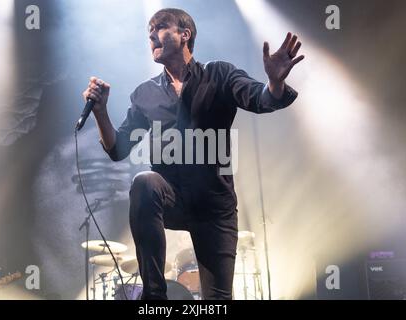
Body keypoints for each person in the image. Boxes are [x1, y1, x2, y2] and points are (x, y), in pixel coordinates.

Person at [82, 8, 304, 300]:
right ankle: (154, 296)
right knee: (145, 182)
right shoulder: (144, 94)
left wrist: (275, 82)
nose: (151, 35)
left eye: (160, 27)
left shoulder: (219, 74)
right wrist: (100, 112)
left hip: (214, 205)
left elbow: (261, 99)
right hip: (171, 196)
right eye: (149, 31)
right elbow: (117, 149)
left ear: (184, 35)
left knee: (218, 300)